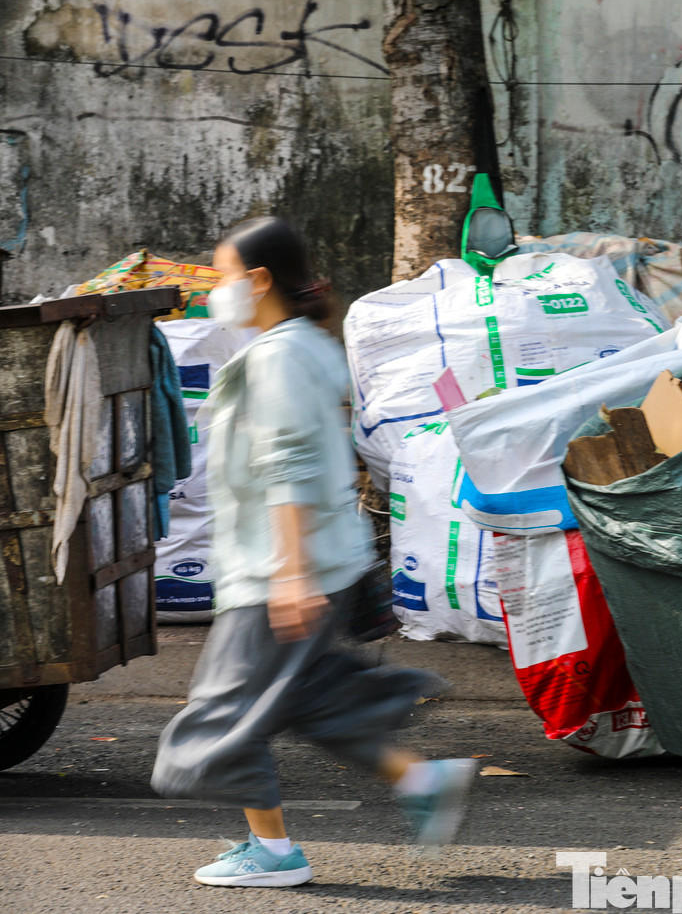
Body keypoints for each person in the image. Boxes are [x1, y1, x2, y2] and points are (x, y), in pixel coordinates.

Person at [151, 217, 477, 887]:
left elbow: (290, 467)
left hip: (281, 570)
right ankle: (422, 779)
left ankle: (272, 853)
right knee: (301, 698)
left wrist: (291, 575)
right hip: (318, 561)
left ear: (258, 280)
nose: (215, 291)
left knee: (223, 714)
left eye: (223, 276)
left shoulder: (278, 357)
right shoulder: (301, 346)